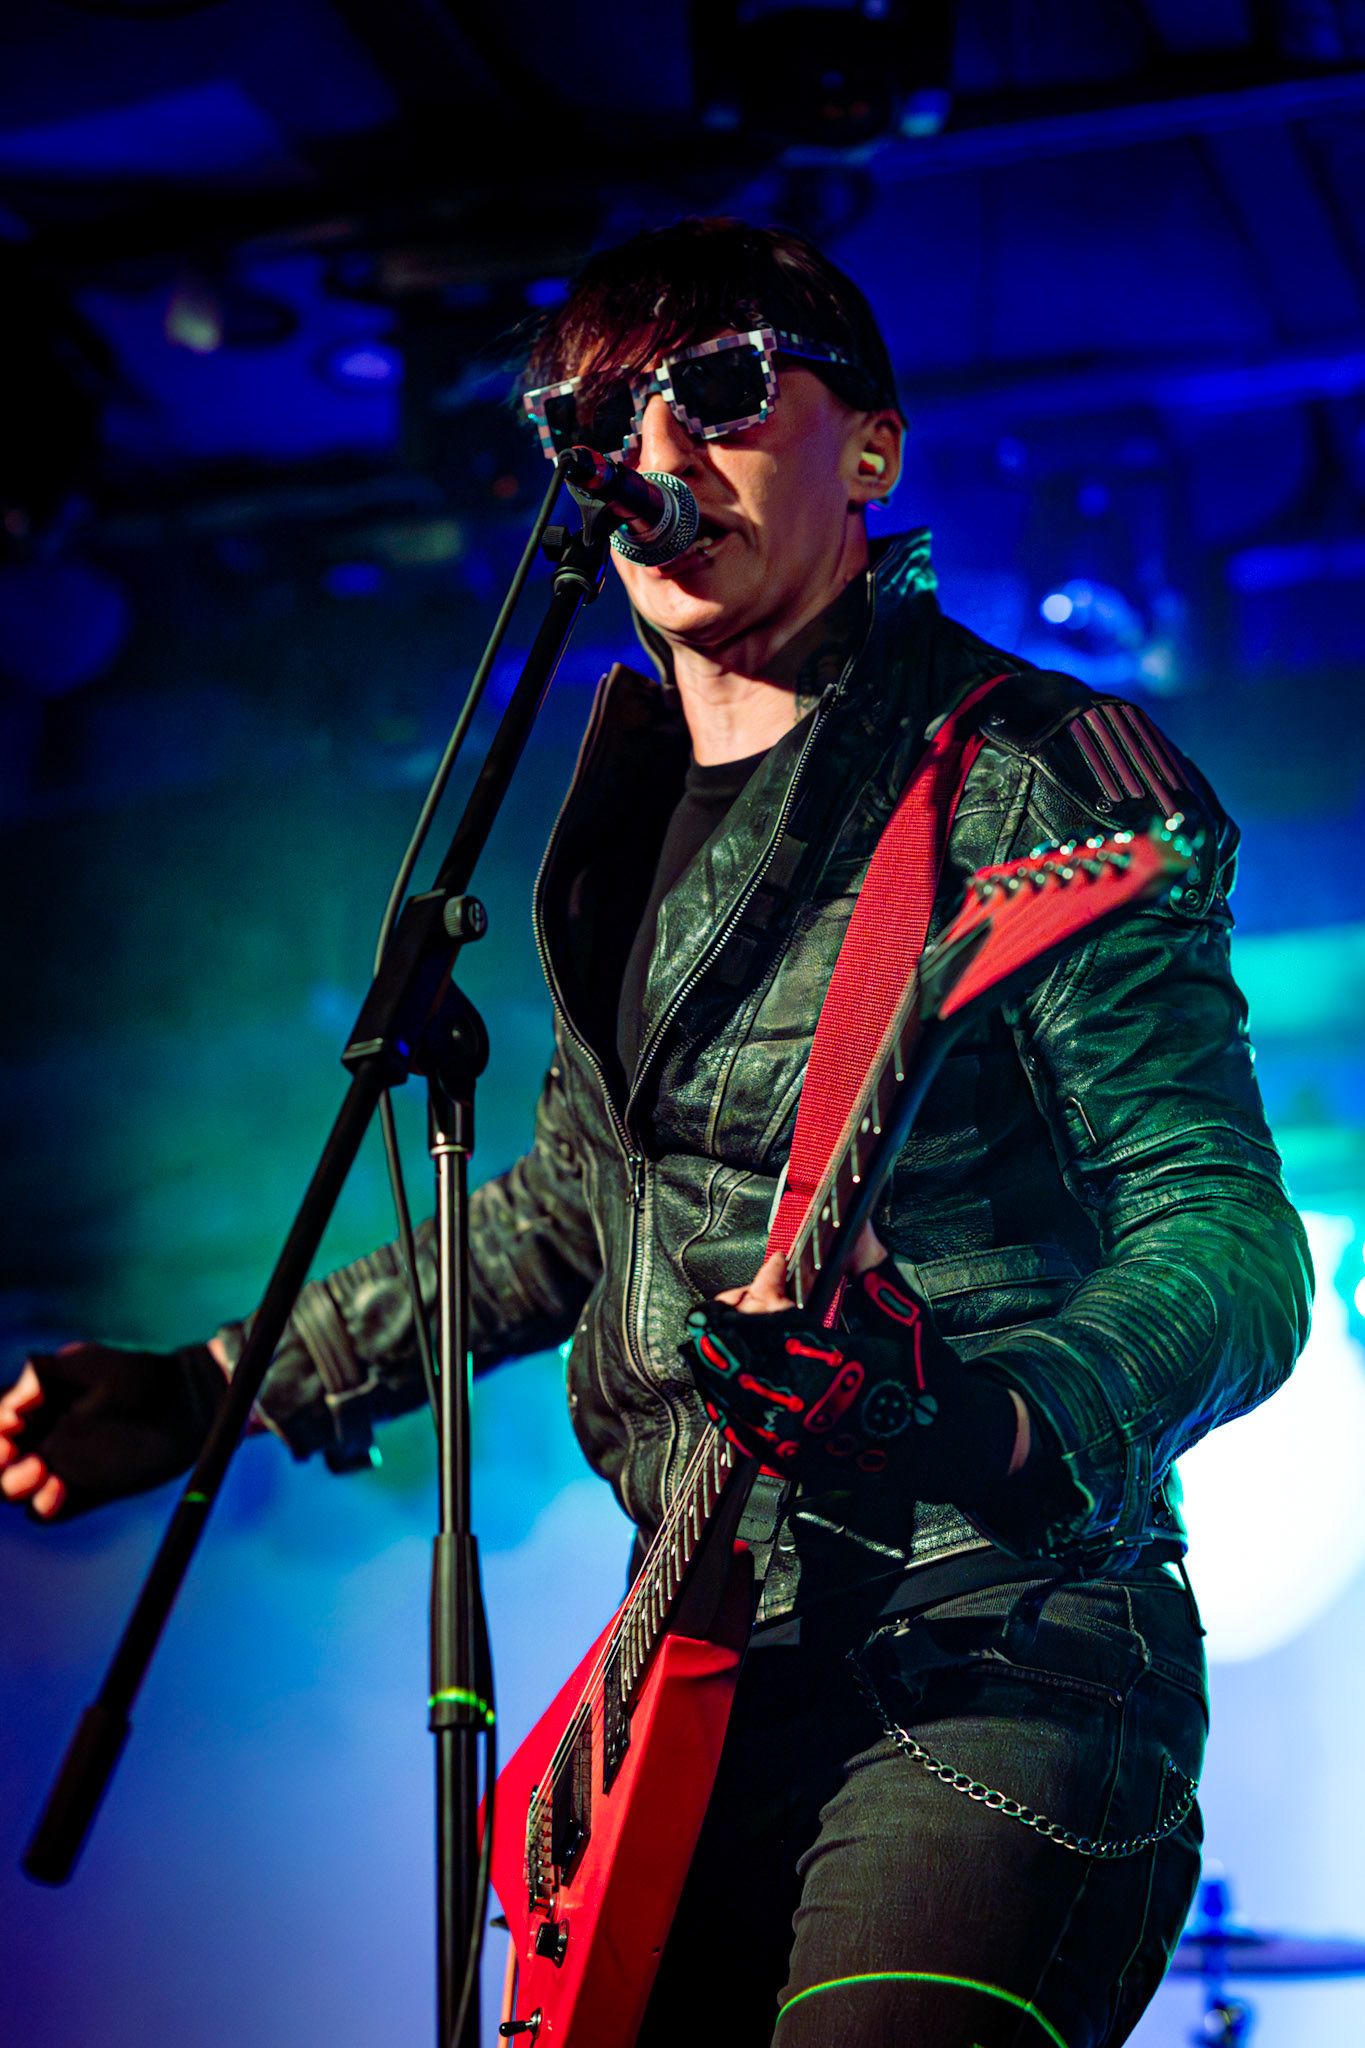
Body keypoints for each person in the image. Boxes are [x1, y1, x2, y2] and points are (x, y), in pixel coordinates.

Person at [1, 219, 1311, 2046]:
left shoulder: (1023, 771)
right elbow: (566, 1212)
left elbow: (1231, 1245)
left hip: (990, 1644)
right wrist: (216, 1382)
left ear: (873, 448)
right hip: (689, 1665)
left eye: (722, 390)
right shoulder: (615, 824)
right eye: (602, 418)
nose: (659, 448)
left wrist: (987, 1416)